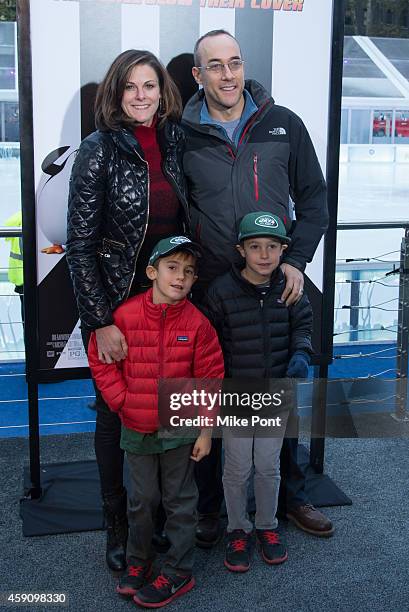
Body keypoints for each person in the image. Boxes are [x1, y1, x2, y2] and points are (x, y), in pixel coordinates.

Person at [182, 29, 333, 543]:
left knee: (275, 396)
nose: (229, 75)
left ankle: (291, 496)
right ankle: (207, 507)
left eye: (235, 63)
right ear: (198, 76)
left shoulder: (283, 124)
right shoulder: (181, 134)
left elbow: (314, 200)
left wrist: (298, 259)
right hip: (210, 292)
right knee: (211, 396)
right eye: (216, 66)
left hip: (275, 285)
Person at [66, 49, 190, 572]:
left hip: (175, 305)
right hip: (119, 310)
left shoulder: (177, 141)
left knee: (167, 411)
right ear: (116, 95)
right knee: (116, 417)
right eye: (131, 87)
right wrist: (100, 323)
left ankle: (159, 520)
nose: (141, 95)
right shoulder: (98, 150)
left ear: (163, 91)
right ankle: (118, 526)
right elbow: (80, 244)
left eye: (150, 85)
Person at [87, 237, 224, 607]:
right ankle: (139, 562)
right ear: (152, 272)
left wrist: (207, 430)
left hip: (181, 427)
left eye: (190, 272)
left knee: (179, 502)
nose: (181, 277)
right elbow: (100, 359)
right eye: (172, 267)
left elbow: (211, 377)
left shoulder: (198, 324)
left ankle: (179, 572)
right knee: (141, 500)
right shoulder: (125, 316)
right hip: (136, 426)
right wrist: (122, 401)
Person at [204, 212, 313, 572]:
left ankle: (267, 526)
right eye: (255, 247)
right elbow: (210, 343)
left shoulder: (292, 286)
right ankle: (238, 528)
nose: (264, 255)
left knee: (268, 466)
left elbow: (303, 326)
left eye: (272, 247)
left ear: (283, 250)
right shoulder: (220, 290)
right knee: (236, 468)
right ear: (241, 250)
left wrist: (300, 354)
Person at [4, 211, 24, 326]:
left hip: (21, 277)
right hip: (28, 277)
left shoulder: (17, 218)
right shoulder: (37, 216)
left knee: (27, 320)